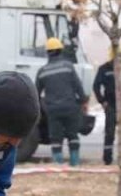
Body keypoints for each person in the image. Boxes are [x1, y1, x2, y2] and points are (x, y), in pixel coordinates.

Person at [35, 37, 89, 166]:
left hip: (53, 110)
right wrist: (83, 101)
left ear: (48, 52)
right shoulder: (68, 66)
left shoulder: (42, 71)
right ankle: (75, 164)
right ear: (61, 50)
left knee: (56, 138)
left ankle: (58, 165)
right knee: (73, 136)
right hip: (71, 107)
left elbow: (35, 93)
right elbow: (77, 85)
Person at [92, 53, 117, 165]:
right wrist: (102, 101)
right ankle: (107, 159)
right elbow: (96, 86)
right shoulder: (104, 68)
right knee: (109, 133)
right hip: (111, 105)